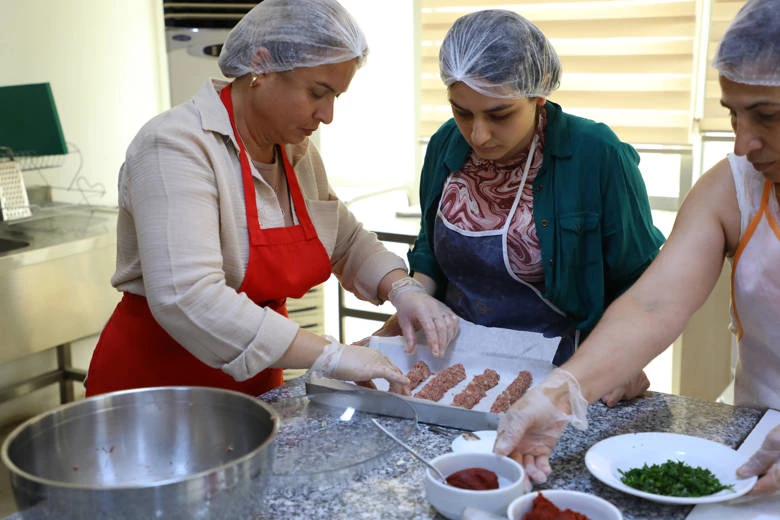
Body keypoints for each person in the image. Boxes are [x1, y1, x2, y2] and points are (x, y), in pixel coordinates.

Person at [85, 0, 459, 398]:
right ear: (261, 66)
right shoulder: (175, 147)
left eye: (336, 97)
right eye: (318, 92)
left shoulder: (295, 151)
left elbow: (346, 242)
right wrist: (330, 355)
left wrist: (401, 289)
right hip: (159, 387)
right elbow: (188, 296)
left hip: (255, 385)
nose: (328, 115)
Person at [493, 0, 780, 497]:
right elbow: (654, 304)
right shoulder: (734, 188)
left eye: (768, 116)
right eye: (733, 116)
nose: (742, 144)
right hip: (758, 448)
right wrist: (559, 393)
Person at [375, 9, 663, 406]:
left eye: (500, 114)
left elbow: (643, 282)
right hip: (455, 364)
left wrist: (623, 362)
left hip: (564, 373)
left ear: (539, 92)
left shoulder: (596, 154)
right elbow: (430, 252)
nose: (478, 134)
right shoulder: (446, 145)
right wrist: (409, 307)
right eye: (462, 111)